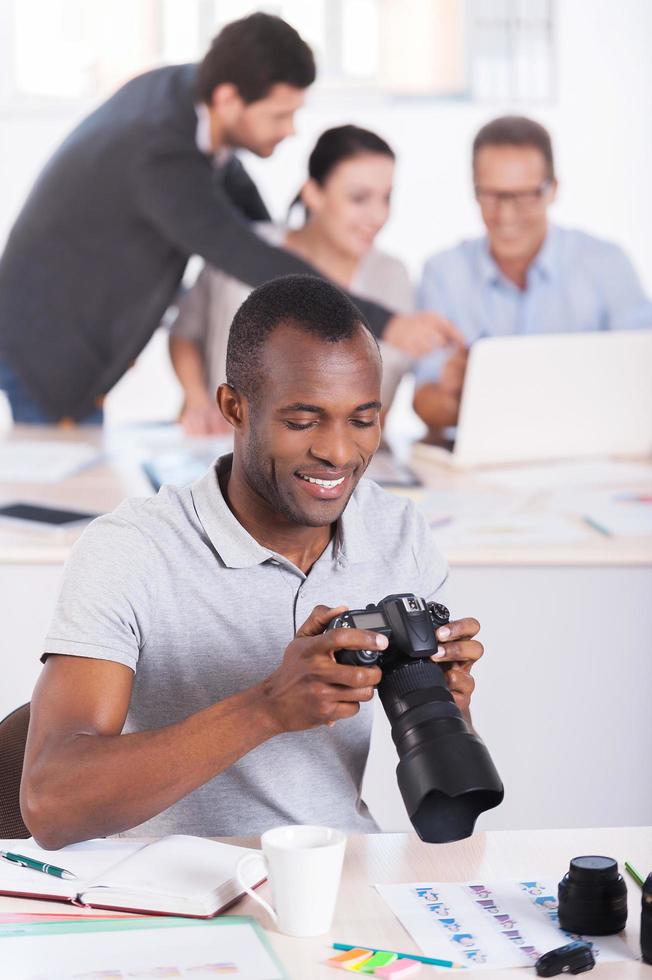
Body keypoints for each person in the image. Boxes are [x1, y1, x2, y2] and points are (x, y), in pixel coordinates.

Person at [21, 275, 483, 849]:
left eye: (361, 420)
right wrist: (266, 709)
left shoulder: (397, 533)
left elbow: (447, 812)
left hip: (331, 876)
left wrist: (446, 704)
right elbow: (50, 803)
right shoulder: (131, 549)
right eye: (302, 421)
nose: (338, 452)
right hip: (172, 896)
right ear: (234, 408)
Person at [0, 14, 459, 427]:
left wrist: (276, 232)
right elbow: (244, 253)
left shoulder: (187, 94)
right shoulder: (158, 153)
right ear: (228, 99)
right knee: (65, 489)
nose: (291, 129)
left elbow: (233, 183)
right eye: (280, 115)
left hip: (69, 323)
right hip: (45, 347)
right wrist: (387, 324)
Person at [413, 115, 652, 434]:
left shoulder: (607, 264)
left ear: (552, 189)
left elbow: (641, 381)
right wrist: (453, 395)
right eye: (492, 195)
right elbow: (424, 400)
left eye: (524, 196)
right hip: (483, 454)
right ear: (475, 191)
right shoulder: (444, 271)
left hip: (591, 449)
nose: (506, 215)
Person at [169, 125, 414, 434]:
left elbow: (381, 401)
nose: (378, 215)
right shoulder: (246, 250)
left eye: (386, 198)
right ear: (313, 193)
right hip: (221, 441)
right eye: (359, 198)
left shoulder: (391, 277)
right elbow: (186, 333)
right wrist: (196, 400)